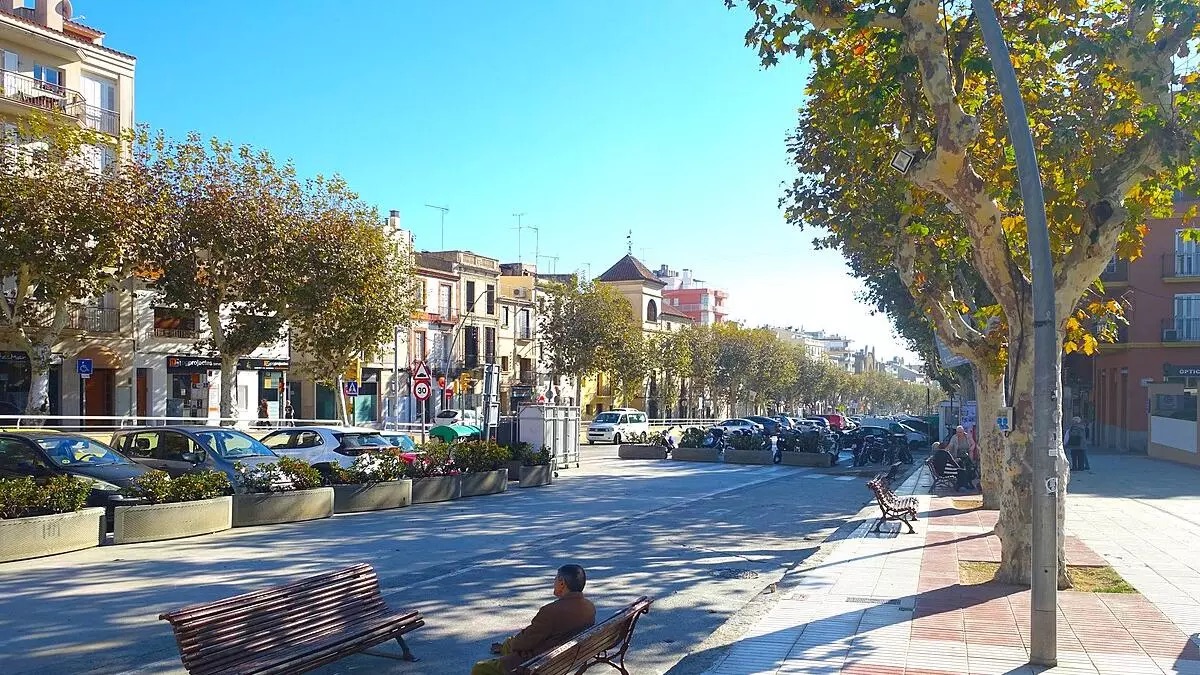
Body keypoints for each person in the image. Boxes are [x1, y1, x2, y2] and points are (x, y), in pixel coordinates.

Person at [473, 565, 596, 675]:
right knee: (513, 641)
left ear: (562, 583)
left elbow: (524, 643)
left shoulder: (550, 611)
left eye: (555, 579)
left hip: (538, 662)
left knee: (480, 668)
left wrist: (516, 642)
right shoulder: (589, 607)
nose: (553, 582)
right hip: (569, 656)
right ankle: (504, 647)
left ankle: (505, 649)